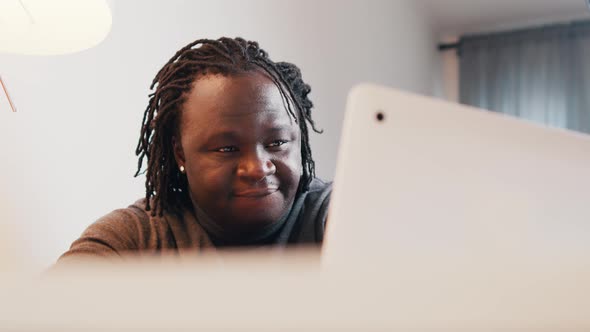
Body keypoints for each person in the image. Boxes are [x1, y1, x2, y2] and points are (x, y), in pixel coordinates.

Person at [58, 37, 332, 261]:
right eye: (227, 148)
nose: (258, 167)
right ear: (180, 153)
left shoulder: (337, 215)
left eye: (277, 143)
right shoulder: (134, 239)